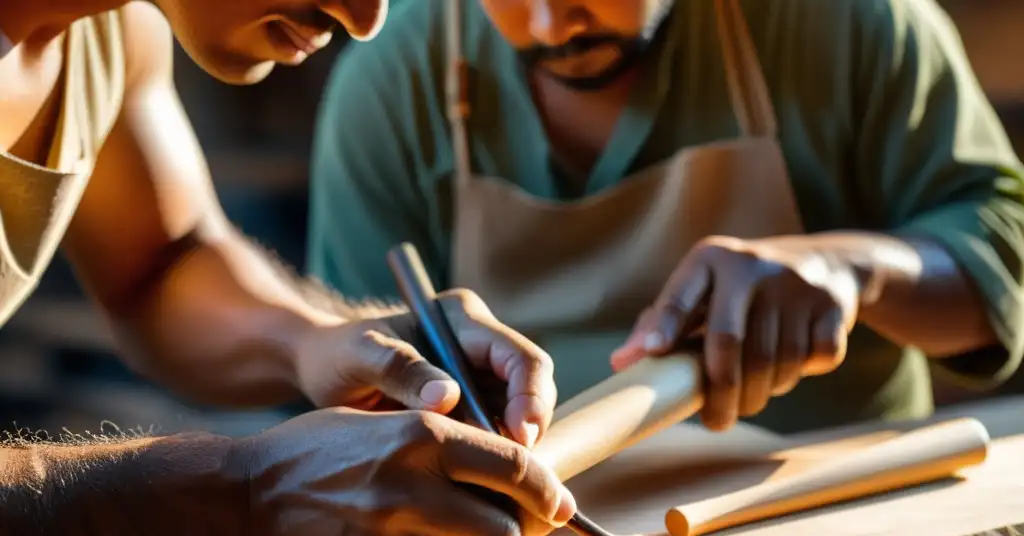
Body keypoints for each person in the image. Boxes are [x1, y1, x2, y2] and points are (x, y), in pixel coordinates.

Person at [0, 0, 579, 536]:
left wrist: (322, 341)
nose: (365, 19)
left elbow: (160, 265)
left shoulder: (111, 26)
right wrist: (236, 507)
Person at [307, 0, 1024, 435]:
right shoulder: (393, 81)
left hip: (837, 514)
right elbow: (352, 384)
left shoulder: (847, 24)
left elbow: (1005, 256)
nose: (554, 22)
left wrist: (857, 271)